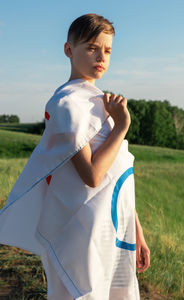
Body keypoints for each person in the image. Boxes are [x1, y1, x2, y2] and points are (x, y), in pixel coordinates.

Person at [0, 13, 150, 299]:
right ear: (69, 50)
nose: (101, 57)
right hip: (84, 233)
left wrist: (137, 231)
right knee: (84, 293)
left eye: (107, 50)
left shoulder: (100, 102)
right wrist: (122, 126)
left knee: (118, 293)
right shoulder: (67, 104)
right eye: (92, 47)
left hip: (116, 229)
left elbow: (116, 172)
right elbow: (92, 175)